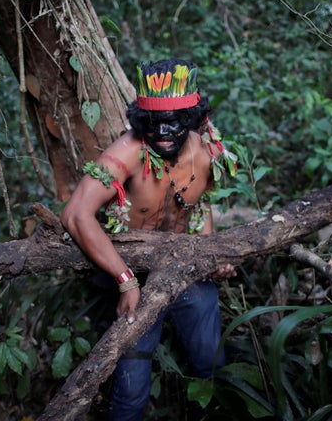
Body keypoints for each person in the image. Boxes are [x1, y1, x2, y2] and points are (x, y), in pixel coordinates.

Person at [60, 59, 237, 420]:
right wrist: (124, 281)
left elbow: (200, 206)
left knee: (212, 363)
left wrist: (210, 256)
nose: (165, 131)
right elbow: (75, 215)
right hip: (129, 273)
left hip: (183, 267)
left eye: (176, 121)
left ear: (193, 118)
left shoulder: (208, 151)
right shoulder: (128, 151)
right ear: (141, 121)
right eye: (155, 123)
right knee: (130, 389)